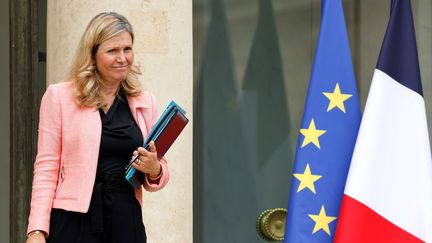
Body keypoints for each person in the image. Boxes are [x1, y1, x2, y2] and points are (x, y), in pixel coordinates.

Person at [26, 12, 169, 243]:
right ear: (92, 54)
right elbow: (46, 168)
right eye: (112, 51)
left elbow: (159, 169)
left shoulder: (144, 102)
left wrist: (155, 169)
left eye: (127, 49)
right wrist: (36, 231)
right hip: (72, 221)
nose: (122, 58)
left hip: (125, 219)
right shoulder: (59, 97)